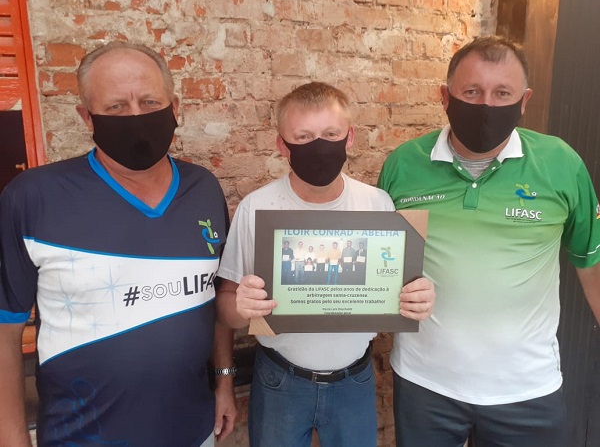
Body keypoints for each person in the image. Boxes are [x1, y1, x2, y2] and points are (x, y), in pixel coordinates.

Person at [0, 41, 237, 447]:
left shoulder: (203, 189)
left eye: (149, 102)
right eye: (116, 107)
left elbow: (216, 298)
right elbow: (6, 330)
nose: (136, 116)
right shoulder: (32, 198)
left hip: (195, 432)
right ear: (86, 117)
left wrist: (225, 381)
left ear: (175, 107)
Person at [377, 35, 600, 447]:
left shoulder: (561, 165)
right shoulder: (403, 165)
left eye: (502, 93)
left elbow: (593, 267)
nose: (486, 105)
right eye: (472, 92)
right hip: (426, 385)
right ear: (445, 97)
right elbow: (381, 265)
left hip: (527, 389)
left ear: (524, 100)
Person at [215, 81, 435, 447]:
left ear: (350, 137)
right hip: (281, 378)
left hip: (354, 379)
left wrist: (417, 298)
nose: (319, 146)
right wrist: (241, 307)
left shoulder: (377, 203)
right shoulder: (256, 207)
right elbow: (225, 308)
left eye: (331, 134)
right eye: (303, 137)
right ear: (281, 145)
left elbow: (397, 291)